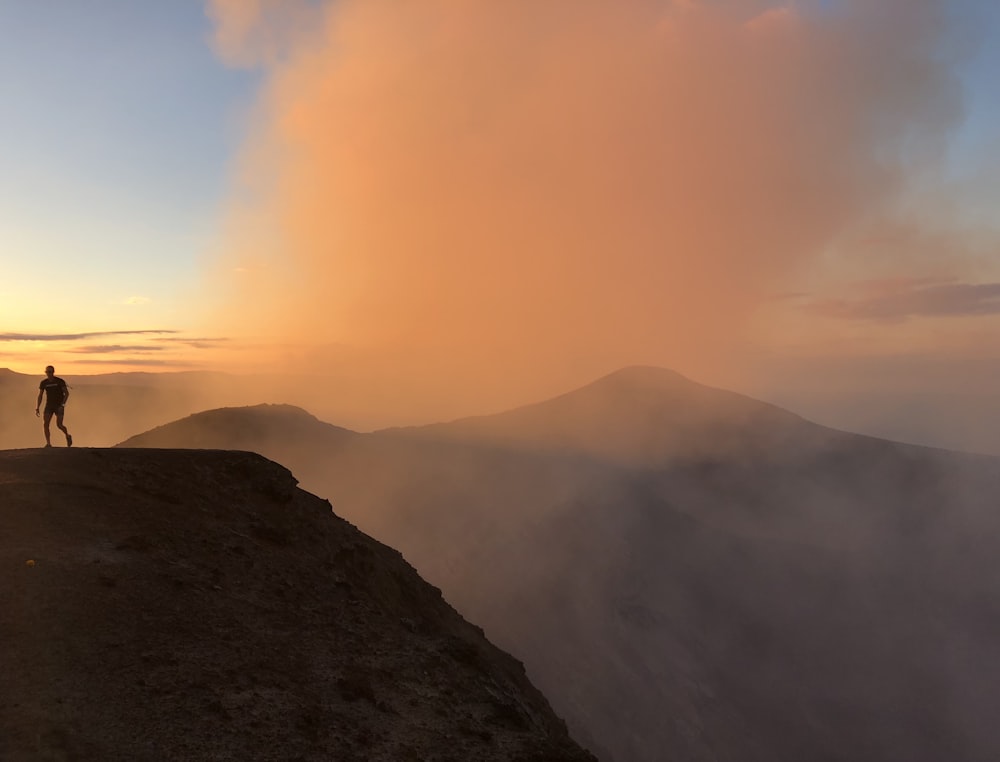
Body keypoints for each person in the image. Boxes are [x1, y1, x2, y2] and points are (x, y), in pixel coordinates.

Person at [35, 365, 73, 448]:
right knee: (46, 424)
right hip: (49, 405)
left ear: (53, 372)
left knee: (59, 425)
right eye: (47, 372)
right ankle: (48, 443)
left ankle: (67, 435)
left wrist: (62, 405)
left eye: (50, 372)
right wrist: (37, 407)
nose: (48, 374)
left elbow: (66, 393)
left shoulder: (59, 381)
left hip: (59, 405)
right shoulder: (44, 383)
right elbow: (40, 395)